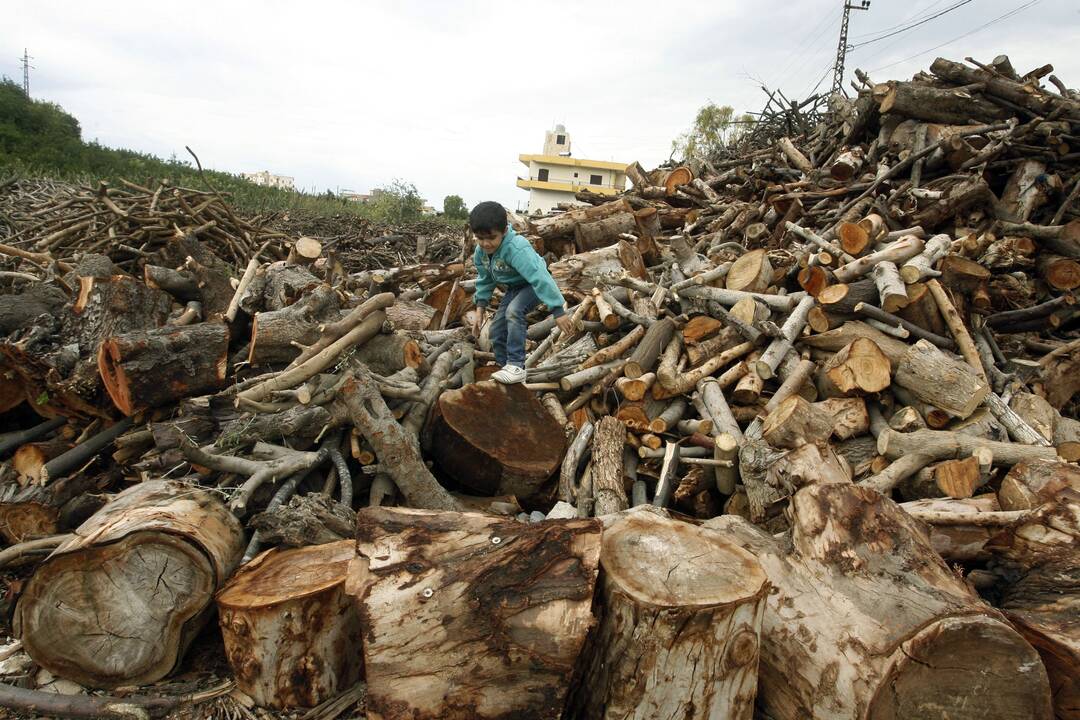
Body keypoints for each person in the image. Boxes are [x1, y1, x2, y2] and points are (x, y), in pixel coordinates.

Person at [469, 201, 574, 384]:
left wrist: (557, 310)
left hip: (533, 285)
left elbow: (540, 276)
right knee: (496, 329)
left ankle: (516, 365)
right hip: (515, 288)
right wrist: (480, 309)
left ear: (504, 231)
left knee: (514, 311)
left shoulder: (516, 248)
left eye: (491, 238)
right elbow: (485, 279)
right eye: (480, 238)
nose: (485, 243)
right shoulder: (481, 252)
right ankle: (505, 369)